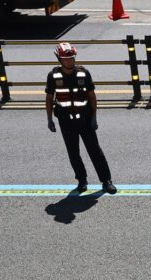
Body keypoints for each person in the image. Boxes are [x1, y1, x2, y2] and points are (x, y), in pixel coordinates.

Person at [45, 42, 117, 194]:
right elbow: (49, 98)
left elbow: (91, 95)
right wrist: (49, 119)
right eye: (66, 58)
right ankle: (82, 180)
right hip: (66, 121)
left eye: (71, 58)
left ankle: (106, 181)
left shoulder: (84, 73)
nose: (70, 61)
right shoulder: (53, 76)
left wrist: (94, 117)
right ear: (59, 59)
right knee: (73, 152)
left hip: (85, 119)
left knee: (95, 150)